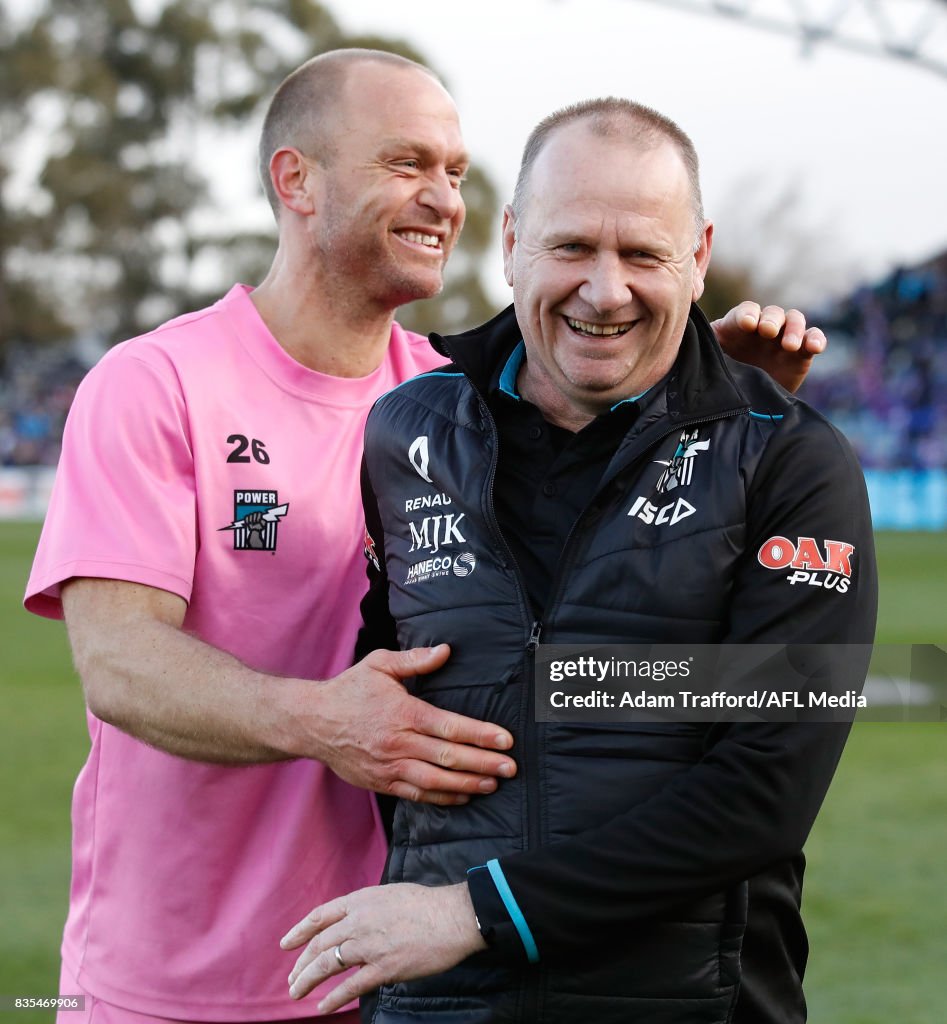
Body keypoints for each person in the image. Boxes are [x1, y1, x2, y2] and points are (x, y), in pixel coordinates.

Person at [25, 49, 827, 1024]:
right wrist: (327, 720)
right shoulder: (157, 383)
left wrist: (699, 397)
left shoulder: (449, 400)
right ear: (297, 181)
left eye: (452, 169)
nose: (440, 195)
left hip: (406, 968)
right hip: (180, 982)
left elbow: (618, 541)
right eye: (406, 163)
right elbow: (119, 663)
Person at [281, 97, 878, 1024]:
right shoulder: (405, 430)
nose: (605, 291)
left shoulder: (789, 458)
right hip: (440, 1006)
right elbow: (389, 707)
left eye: (642, 254)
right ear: (512, 240)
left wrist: (477, 913)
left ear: (700, 257)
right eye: (571, 248)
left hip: (693, 1006)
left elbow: (767, 785)